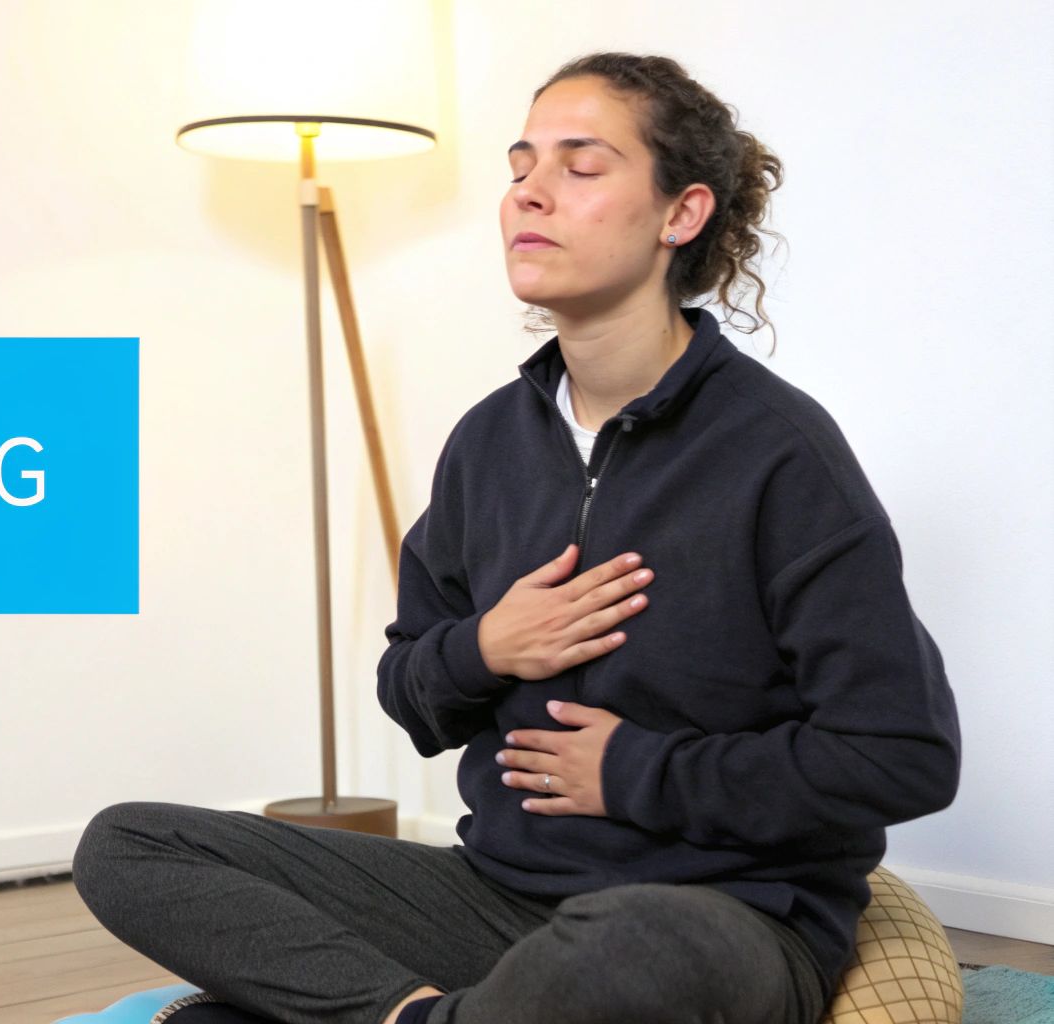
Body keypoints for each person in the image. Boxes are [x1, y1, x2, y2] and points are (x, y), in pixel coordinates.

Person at [71, 50, 961, 1024]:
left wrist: (634, 771)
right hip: (494, 897)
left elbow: (900, 753)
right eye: (520, 166)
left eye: (580, 166)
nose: (529, 192)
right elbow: (409, 691)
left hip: (713, 919)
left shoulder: (779, 453)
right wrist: (485, 646)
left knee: (631, 944)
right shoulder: (488, 443)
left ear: (680, 213)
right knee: (128, 844)